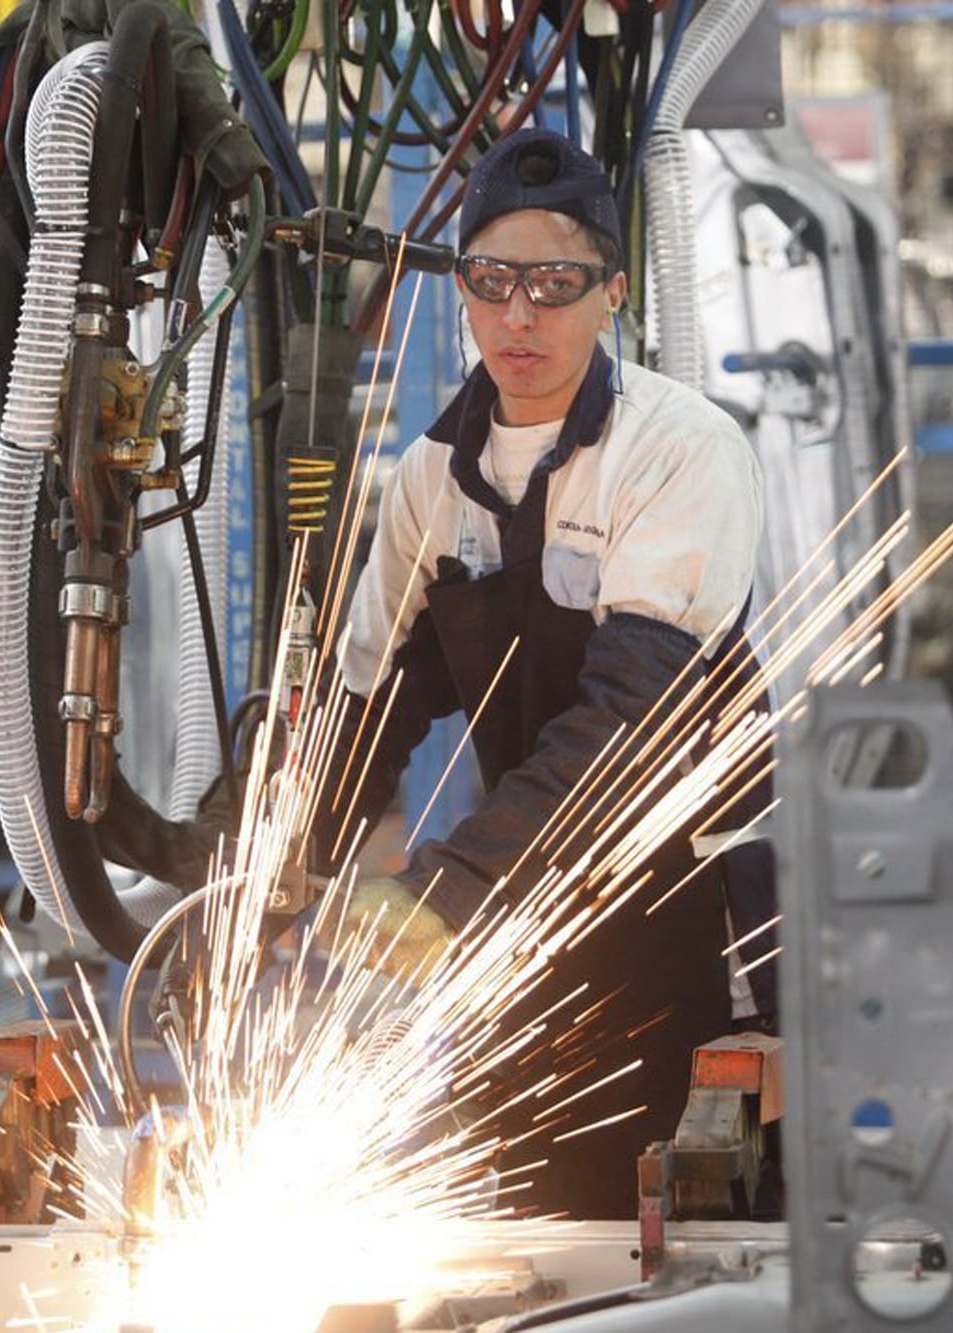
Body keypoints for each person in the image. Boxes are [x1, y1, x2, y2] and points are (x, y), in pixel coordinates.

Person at [317, 128, 778, 1218]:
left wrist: (446, 885)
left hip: (691, 912)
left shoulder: (678, 451)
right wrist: (281, 869)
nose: (519, 315)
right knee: (530, 1212)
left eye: (556, 284)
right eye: (491, 280)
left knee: (697, 1230)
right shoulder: (427, 476)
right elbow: (361, 707)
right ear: (462, 289)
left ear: (610, 292)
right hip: (522, 905)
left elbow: (631, 719)